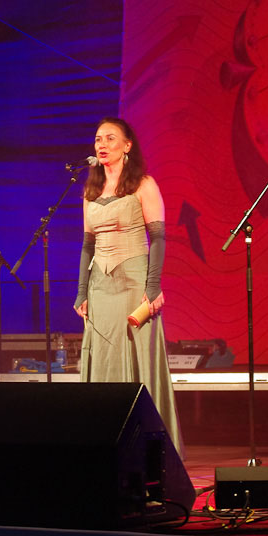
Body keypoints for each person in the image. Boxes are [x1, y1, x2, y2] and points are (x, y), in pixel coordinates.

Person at [74, 117, 182, 454]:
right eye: (97, 139)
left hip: (134, 280)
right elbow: (87, 245)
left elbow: (159, 237)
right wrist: (81, 291)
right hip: (100, 285)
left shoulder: (143, 185)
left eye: (110, 138)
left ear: (127, 145)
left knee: (138, 361)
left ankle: (149, 453)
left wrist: (152, 287)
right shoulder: (90, 192)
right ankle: (104, 446)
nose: (102, 145)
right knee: (103, 359)